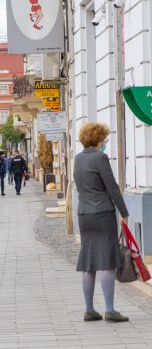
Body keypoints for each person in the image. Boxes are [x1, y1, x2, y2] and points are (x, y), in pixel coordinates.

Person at [73, 122, 130, 323]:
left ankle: (89, 309)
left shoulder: (78, 159)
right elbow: (112, 187)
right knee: (107, 259)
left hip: (84, 214)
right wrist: (124, 212)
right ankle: (110, 310)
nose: (105, 142)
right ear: (98, 139)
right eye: (104, 138)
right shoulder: (100, 157)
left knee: (88, 262)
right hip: (102, 213)